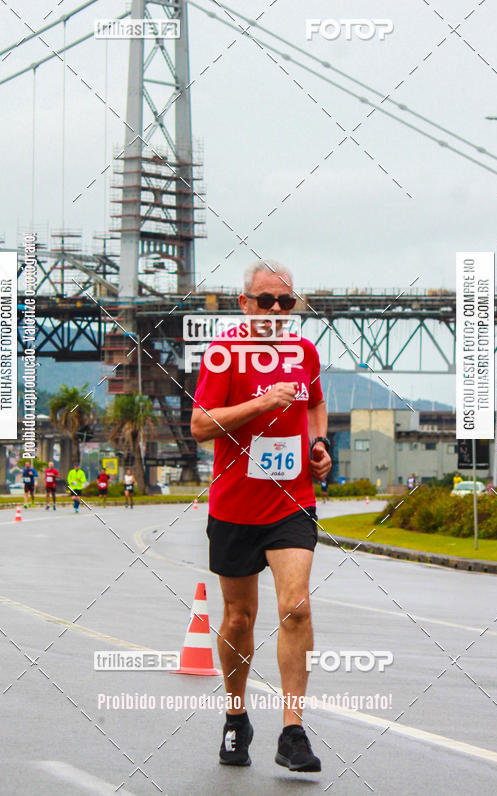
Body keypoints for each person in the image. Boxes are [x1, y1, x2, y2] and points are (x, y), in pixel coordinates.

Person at [191, 259, 331, 773]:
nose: (276, 310)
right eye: (266, 300)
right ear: (244, 303)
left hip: (291, 502)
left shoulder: (305, 352)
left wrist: (319, 445)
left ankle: (293, 732)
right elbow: (201, 425)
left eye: (286, 302)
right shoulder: (224, 353)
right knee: (238, 617)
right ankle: (236, 716)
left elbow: (314, 405)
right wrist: (262, 403)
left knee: (297, 608)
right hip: (235, 506)